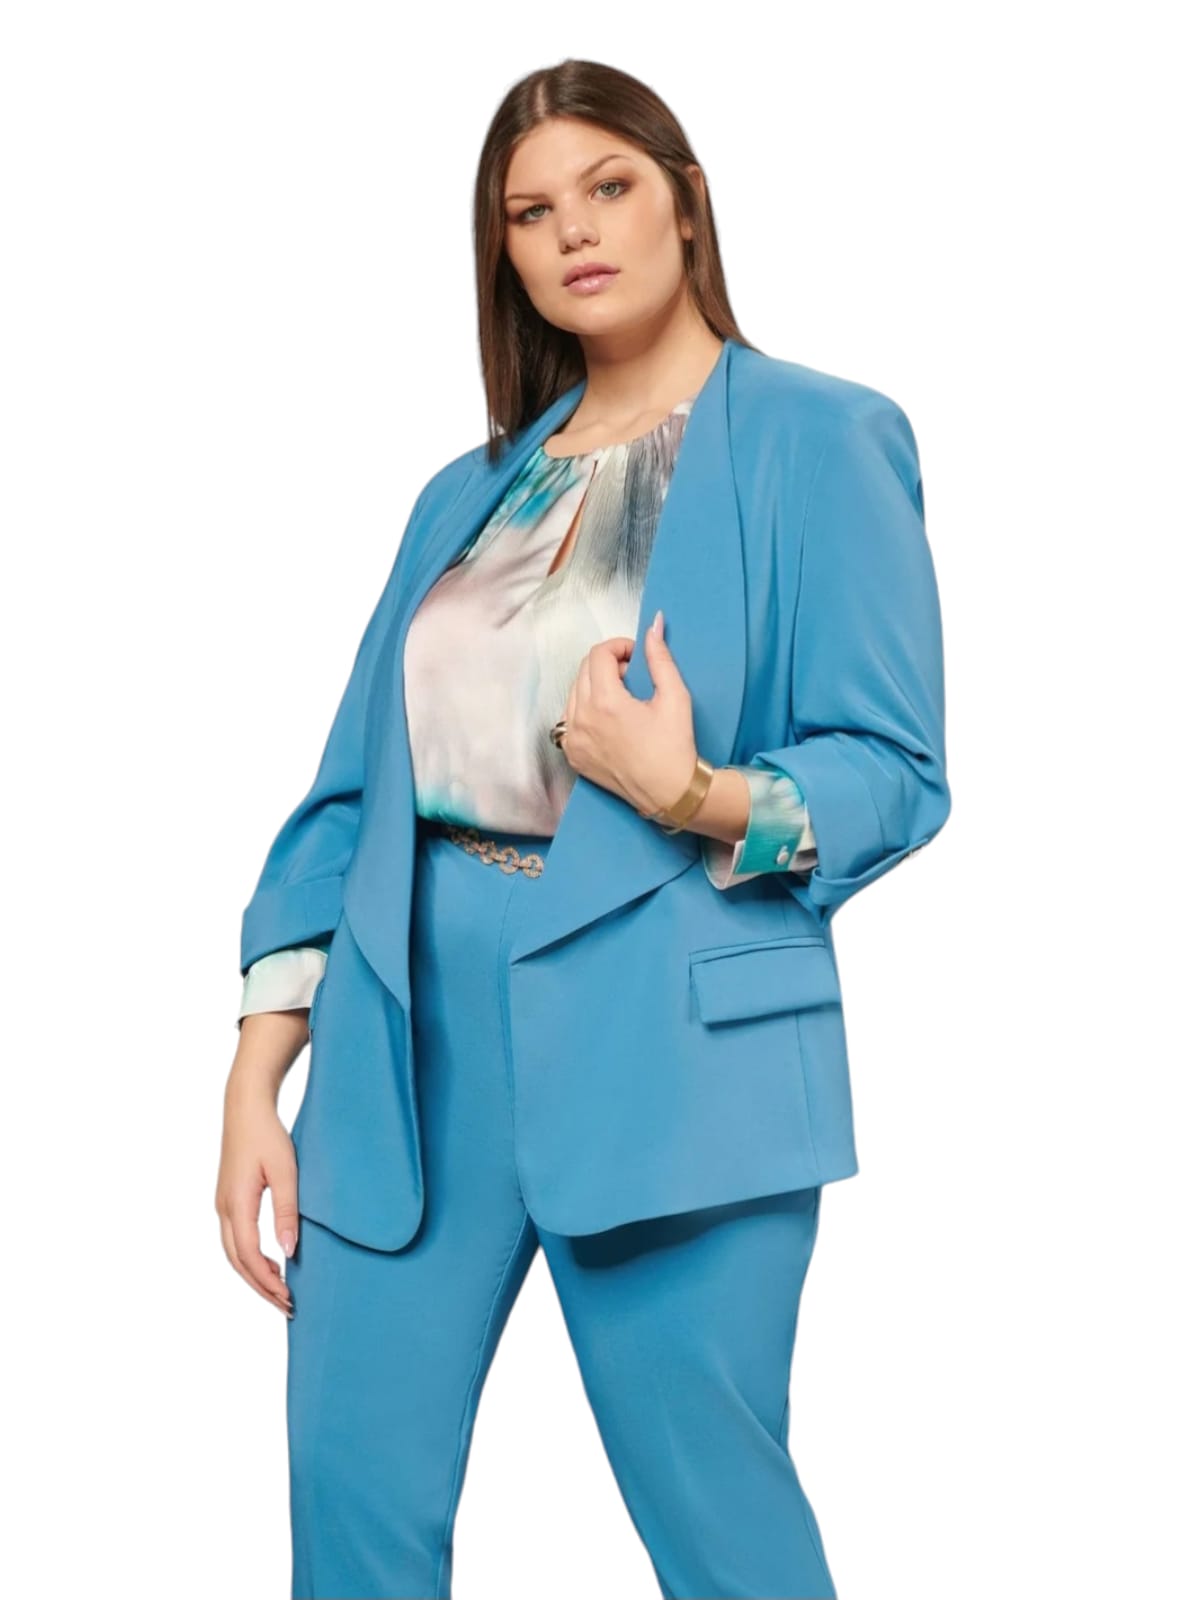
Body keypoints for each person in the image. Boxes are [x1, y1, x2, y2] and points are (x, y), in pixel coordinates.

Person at [216, 58, 950, 1600]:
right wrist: (257, 1070)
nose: (574, 232)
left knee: (719, 1524)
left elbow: (896, 770)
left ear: (686, 202)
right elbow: (351, 793)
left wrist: (693, 792)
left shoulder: (822, 438)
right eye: (530, 211)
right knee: (349, 1501)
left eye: (608, 187)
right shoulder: (465, 492)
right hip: (406, 1053)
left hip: (672, 1039)